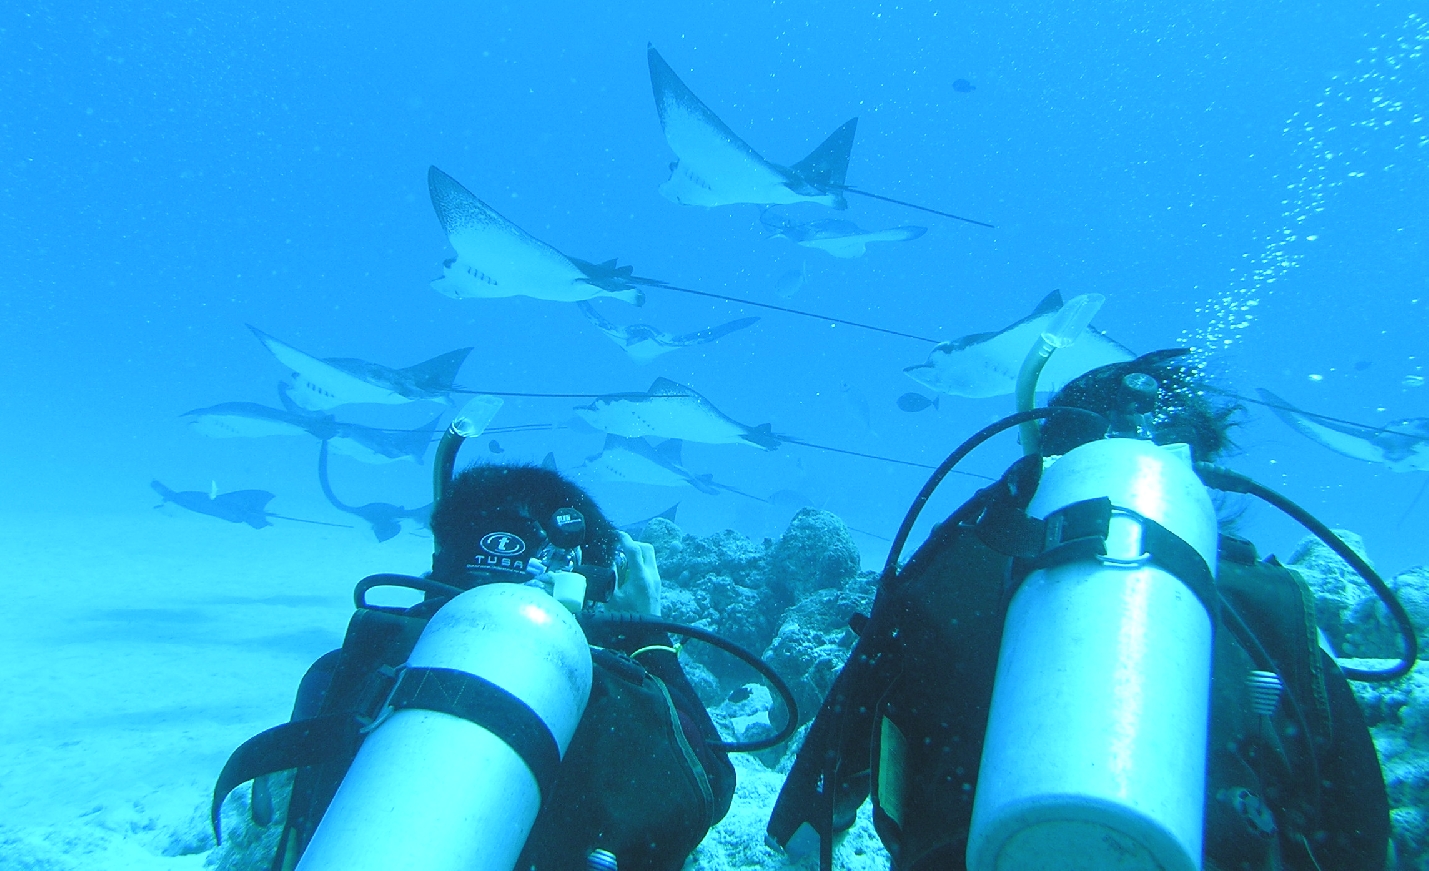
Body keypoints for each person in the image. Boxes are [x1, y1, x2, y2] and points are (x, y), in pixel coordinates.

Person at [769, 349, 1401, 871]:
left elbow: (818, 792)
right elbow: (1361, 836)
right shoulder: (1266, 605)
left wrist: (802, 838)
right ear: (1197, 480)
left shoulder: (953, 569)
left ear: (1043, 459)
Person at [214, 462, 734, 871]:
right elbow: (710, 785)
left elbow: (286, 816)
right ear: (588, 582)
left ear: (439, 559)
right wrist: (648, 636)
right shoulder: (606, 692)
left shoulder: (347, 669)